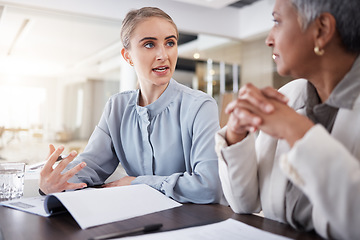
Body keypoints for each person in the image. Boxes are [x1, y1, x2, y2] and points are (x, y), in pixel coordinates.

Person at [40, 7, 223, 204]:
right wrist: (56, 180)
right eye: (149, 44)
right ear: (127, 56)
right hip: (139, 216)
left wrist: (138, 183)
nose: (163, 55)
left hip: (192, 223)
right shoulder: (116, 107)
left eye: (170, 43)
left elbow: (209, 186)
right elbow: (91, 165)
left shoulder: (200, 106)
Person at [215, 0, 360, 239]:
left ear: (321, 30)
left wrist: (296, 130)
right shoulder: (289, 97)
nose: (268, 39)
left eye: (277, 21)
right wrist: (236, 134)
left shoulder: (286, 115)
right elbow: (245, 204)